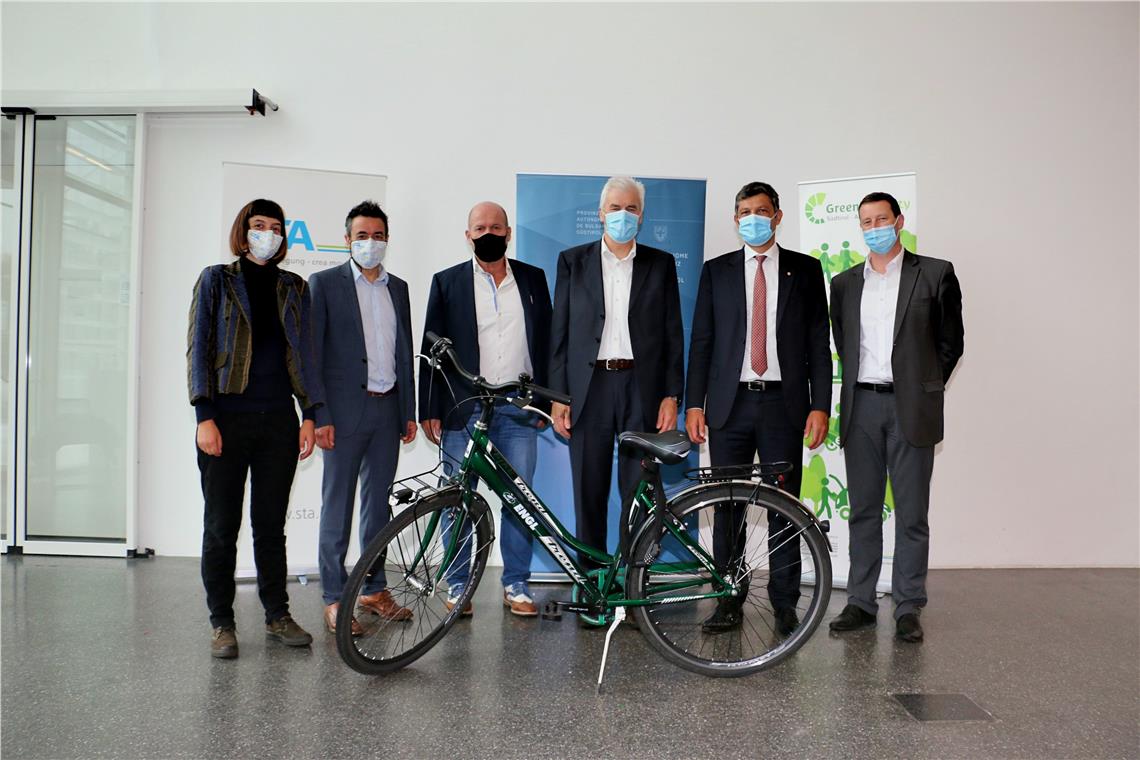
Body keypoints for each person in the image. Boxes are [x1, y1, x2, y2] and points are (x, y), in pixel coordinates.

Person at [685, 181, 832, 636]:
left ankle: (784, 603)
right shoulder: (717, 271)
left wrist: (821, 406)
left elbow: (818, 343)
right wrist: (694, 404)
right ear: (735, 220)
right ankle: (728, 599)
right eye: (745, 212)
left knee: (782, 508)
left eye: (762, 211)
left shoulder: (805, 270)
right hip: (728, 406)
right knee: (727, 506)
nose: (754, 218)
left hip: (784, 405)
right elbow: (702, 342)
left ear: (778, 216)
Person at [828, 191, 964, 643]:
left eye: (881, 219)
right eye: (866, 222)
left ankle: (908, 606)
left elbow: (951, 343)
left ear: (899, 221)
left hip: (911, 407)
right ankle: (860, 602)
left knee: (911, 514)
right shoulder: (844, 283)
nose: (874, 228)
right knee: (863, 511)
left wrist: (923, 385)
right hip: (861, 407)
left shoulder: (935, 273)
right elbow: (843, 341)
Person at [187, 198, 320, 659]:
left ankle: (277, 614)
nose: (268, 233)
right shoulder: (216, 280)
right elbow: (199, 348)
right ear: (243, 232)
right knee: (221, 527)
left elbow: (304, 355)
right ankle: (222, 623)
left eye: (275, 227)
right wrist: (204, 415)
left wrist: (310, 414)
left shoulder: (294, 287)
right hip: (226, 419)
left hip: (279, 421)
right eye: (259, 225)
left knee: (270, 527)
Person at [419, 201, 552, 617]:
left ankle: (517, 584)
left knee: (519, 500)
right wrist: (429, 407)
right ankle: (459, 585)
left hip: (517, 408)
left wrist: (546, 400)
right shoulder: (447, 282)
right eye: (480, 228)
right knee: (457, 499)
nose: (488, 233)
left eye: (496, 227)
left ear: (508, 233)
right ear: (468, 235)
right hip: (463, 408)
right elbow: (430, 349)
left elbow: (548, 343)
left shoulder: (533, 278)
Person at [549, 176, 684, 571]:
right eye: (614, 207)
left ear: (641, 216)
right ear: (600, 213)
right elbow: (559, 333)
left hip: (642, 388)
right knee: (588, 490)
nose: (622, 215)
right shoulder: (573, 261)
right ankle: (592, 580)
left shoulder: (660, 264)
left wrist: (671, 395)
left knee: (638, 491)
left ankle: (633, 578)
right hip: (588, 389)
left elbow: (673, 333)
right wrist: (559, 396)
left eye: (631, 208)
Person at [309, 200, 417, 636]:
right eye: (361, 236)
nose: (370, 243)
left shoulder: (399, 288)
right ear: (347, 240)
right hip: (342, 414)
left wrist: (408, 410)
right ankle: (335, 597)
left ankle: (374, 588)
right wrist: (319, 414)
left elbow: (404, 352)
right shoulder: (324, 284)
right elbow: (312, 355)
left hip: (387, 410)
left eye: (377, 236)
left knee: (378, 509)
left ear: (387, 240)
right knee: (337, 507)